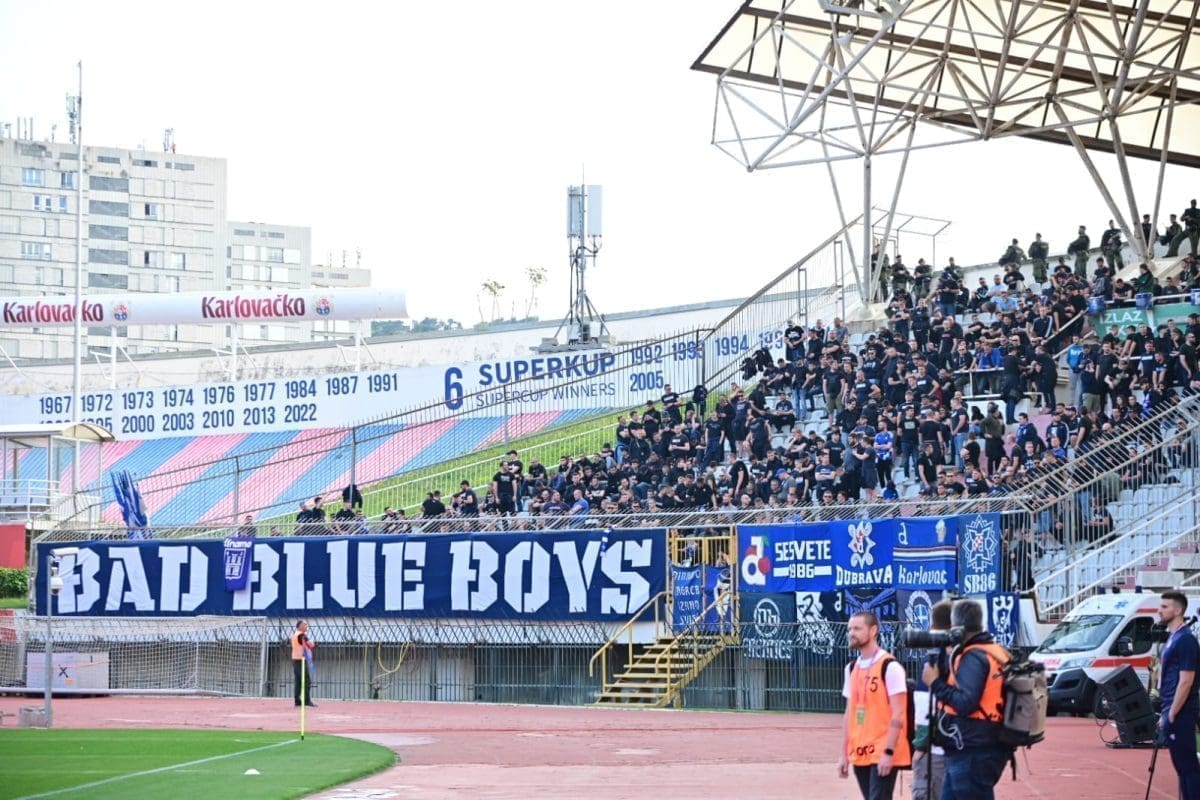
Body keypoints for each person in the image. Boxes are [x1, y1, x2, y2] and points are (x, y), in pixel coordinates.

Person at [922, 599, 1010, 800]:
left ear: (957, 626)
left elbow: (965, 703)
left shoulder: (974, 656)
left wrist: (935, 683)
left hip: (973, 748)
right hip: (977, 744)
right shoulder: (993, 651)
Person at [839, 610, 911, 800]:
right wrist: (844, 753)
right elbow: (849, 713)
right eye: (849, 629)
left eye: (857, 629)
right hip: (860, 750)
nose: (851, 633)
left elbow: (899, 713)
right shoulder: (851, 668)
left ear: (873, 631)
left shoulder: (890, 667)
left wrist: (889, 752)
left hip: (883, 749)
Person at [1156, 590, 1200, 799]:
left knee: (1187, 765)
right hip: (1171, 707)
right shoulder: (1174, 638)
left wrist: (1172, 713)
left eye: (1164, 607)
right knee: (1182, 766)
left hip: (1181, 710)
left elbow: (1186, 680)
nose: (1159, 610)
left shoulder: (1185, 640)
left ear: (1178, 610)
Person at [912, 600, 952, 800]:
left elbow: (924, 708)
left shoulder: (933, 660)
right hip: (961, 746)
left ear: (932, 626)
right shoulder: (963, 658)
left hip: (935, 750)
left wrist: (920, 746)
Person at [291, 619, 316, 708]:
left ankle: (297, 701)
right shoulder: (301, 635)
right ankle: (306, 701)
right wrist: (312, 642)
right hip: (301, 660)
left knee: (298, 681)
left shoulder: (295, 635)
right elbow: (311, 644)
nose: (306, 626)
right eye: (305, 624)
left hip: (295, 660)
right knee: (306, 680)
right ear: (300, 626)